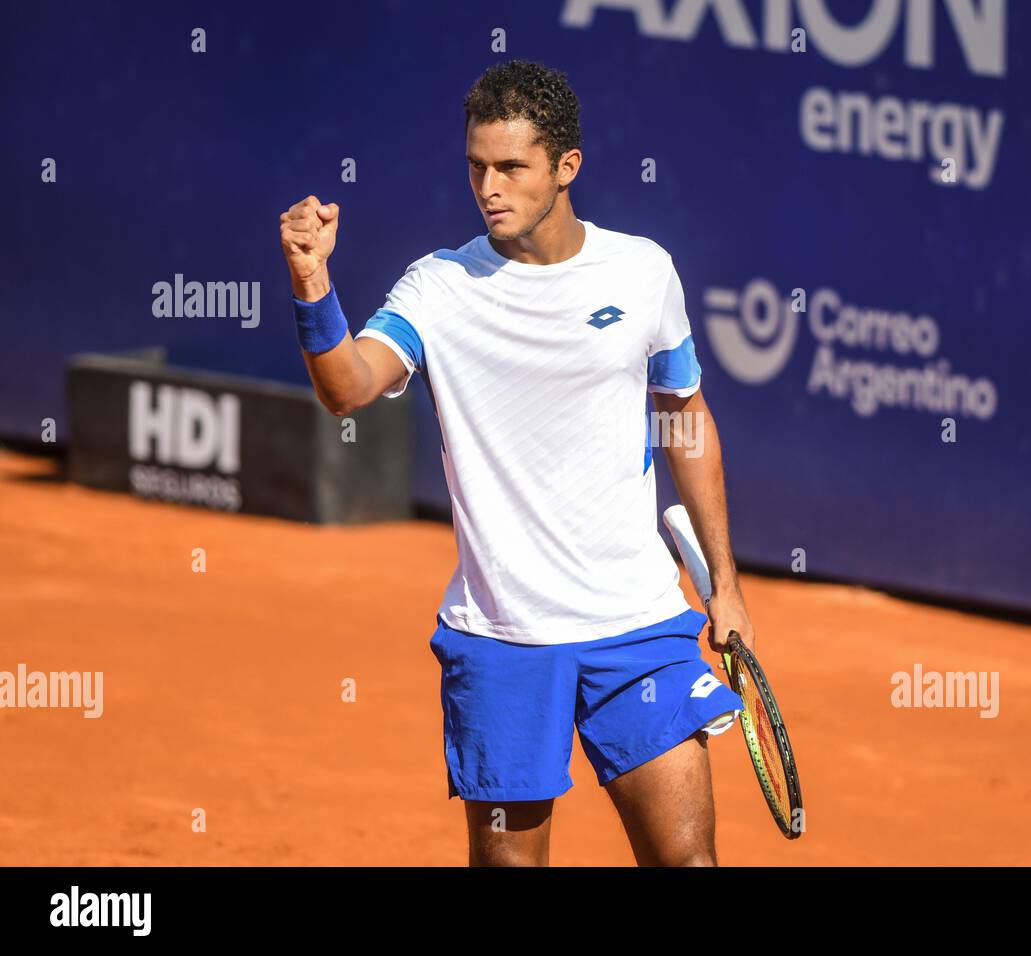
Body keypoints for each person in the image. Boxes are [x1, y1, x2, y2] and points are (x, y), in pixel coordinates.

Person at [277, 59, 755, 866]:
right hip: (501, 639)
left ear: (567, 167)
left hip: (638, 628)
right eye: (475, 167)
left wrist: (729, 586)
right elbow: (346, 390)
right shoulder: (438, 288)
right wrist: (312, 283)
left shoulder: (643, 273)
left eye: (510, 167)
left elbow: (684, 416)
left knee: (689, 862)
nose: (488, 188)